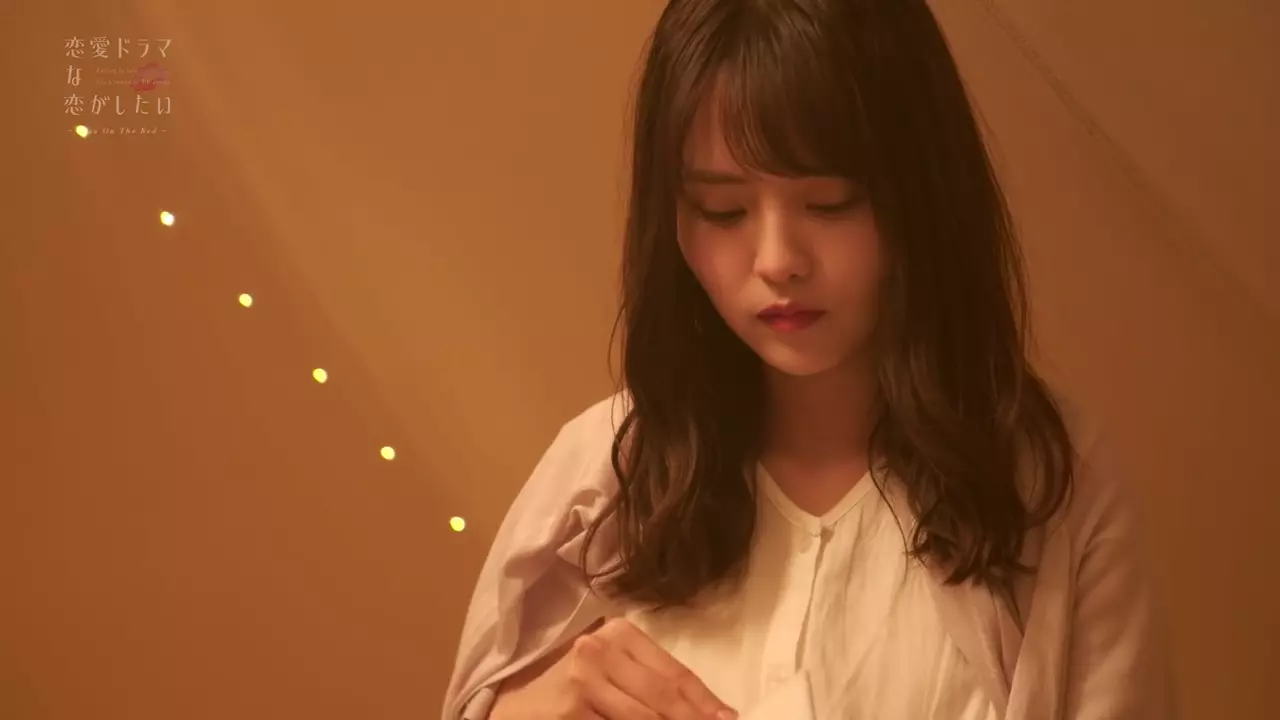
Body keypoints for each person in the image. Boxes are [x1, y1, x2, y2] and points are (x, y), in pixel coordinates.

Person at [444, 0, 1171, 718]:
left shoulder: (1053, 489)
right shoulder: (600, 481)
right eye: (723, 211)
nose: (777, 260)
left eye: (829, 203)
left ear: (922, 196)